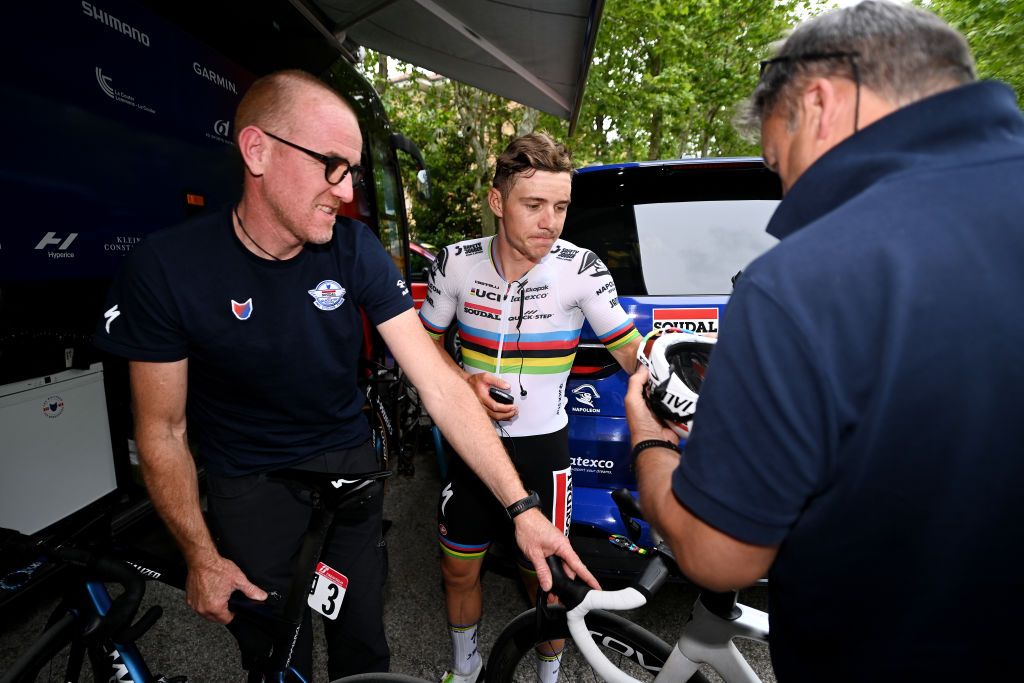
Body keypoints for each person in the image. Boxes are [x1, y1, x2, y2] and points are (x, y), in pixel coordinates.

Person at [94, 70, 596, 681]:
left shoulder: (352, 248)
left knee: (364, 647)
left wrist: (520, 508)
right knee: (278, 655)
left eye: (351, 170)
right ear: (258, 151)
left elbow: (437, 383)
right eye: (331, 164)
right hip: (251, 485)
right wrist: (199, 555)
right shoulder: (167, 268)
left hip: (347, 471)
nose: (346, 188)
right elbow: (163, 431)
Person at [625, 1, 1024, 680]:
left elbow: (721, 555)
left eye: (778, 161)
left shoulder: (807, 277)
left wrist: (652, 443)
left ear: (816, 101)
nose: (784, 189)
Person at [420, 132, 641, 683]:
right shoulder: (455, 264)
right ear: (498, 203)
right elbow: (420, 347)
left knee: (546, 579)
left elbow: (631, 353)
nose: (551, 221)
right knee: (457, 568)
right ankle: (465, 669)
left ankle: (548, 678)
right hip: (471, 444)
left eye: (561, 206)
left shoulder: (581, 268)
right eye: (534, 205)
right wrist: (462, 380)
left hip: (545, 449)